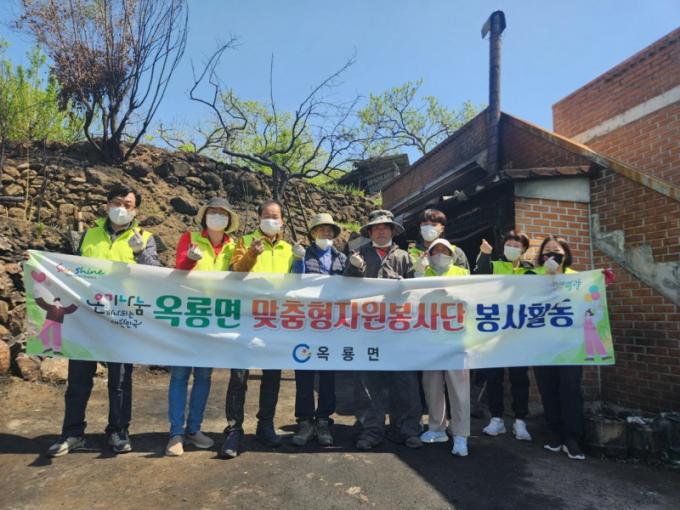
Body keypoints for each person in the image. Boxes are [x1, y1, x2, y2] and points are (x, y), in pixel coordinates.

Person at [46, 184, 161, 457]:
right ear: (107, 204)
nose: (121, 208)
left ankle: (118, 431)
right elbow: (67, 270)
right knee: (78, 380)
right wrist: (37, 263)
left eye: (128, 205)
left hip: (122, 320)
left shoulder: (145, 238)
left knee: (119, 381)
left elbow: (156, 275)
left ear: (136, 210)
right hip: (86, 319)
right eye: (117, 202)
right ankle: (72, 433)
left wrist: (140, 253)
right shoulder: (88, 235)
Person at [220, 199, 295, 458]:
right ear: (259, 217)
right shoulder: (244, 241)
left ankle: (266, 425)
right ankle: (234, 429)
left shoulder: (289, 249)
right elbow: (235, 273)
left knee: (272, 375)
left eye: (275, 216)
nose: (271, 220)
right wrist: (252, 254)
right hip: (246, 318)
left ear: (282, 221)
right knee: (239, 376)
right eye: (266, 215)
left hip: (275, 320)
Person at [166, 197, 240, 457]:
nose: (217, 216)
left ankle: (194, 429)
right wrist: (189, 259)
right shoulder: (190, 238)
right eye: (213, 212)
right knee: (179, 375)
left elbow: (240, 276)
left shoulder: (234, 245)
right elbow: (179, 270)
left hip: (215, 319)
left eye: (222, 213)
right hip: (188, 315)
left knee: (204, 376)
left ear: (229, 220)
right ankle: (175, 433)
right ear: (204, 216)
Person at [344, 209, 422, 450]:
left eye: (385, 227)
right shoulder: (359, 255)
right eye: (376, 228)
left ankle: (407, 429)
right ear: (369, 232)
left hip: (399, 331)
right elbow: (345, 289)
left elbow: (417, 293)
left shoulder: (405, 257)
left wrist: (412, 280)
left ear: (392, 230)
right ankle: (371, 430)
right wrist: (354, 269)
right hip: (368, 331)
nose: (381, 231)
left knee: (405, 381)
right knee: (368, 383)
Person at [291, 213, 347, 447]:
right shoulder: (304, 254)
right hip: (306, 324)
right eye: (321, 229)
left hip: (332, 326)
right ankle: (305, 421)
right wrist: (297, 260)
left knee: (327, 376)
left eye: (329, 230)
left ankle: (324, 420)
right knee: (304, 373)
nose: (326, 233)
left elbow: (350, 287)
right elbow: (294, 282)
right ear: (312, 233)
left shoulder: (342, 258)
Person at [474, 231, 534, 441]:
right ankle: (496, 419)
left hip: (520, 334)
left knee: (520, 379)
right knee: (494, 377)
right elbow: (479, 276)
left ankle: (520, 421)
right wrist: (484, 255)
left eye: (517, 245)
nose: (512, 248)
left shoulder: (531, 272)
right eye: (509, 244)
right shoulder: (494, 265)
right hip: (495, 334)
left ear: (524, 249)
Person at [532, 235, 586, 460]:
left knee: (570, 389)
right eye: (547, 252)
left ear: (565, 254)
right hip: (542, 345)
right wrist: (547, 277)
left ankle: (572, 438)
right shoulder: (532, 277)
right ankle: (554, 434)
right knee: (548, 389)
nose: (551, 255)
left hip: (571, 346)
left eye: (556, 251)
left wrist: (601, 281)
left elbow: (588, 303)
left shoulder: (577, 278)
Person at [418, 239, 472, 456]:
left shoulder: (462, 273)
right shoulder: (422, 273)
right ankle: (437, 428)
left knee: (459, 390)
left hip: (456, 340)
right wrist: (418, 275)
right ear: (429, 254)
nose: (440, 254)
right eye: (435, 251)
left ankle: (461, 434)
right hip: (429, 340)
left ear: (451, 254)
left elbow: (472, 300)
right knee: (432, 386)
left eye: (444, 251)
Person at [409, 209, 469, 275]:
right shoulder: (411, 253)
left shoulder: (456, 252)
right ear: (420, 228)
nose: (429, 228)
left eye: (434, 225)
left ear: (442, 228)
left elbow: (464, 276)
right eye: (425, 224)